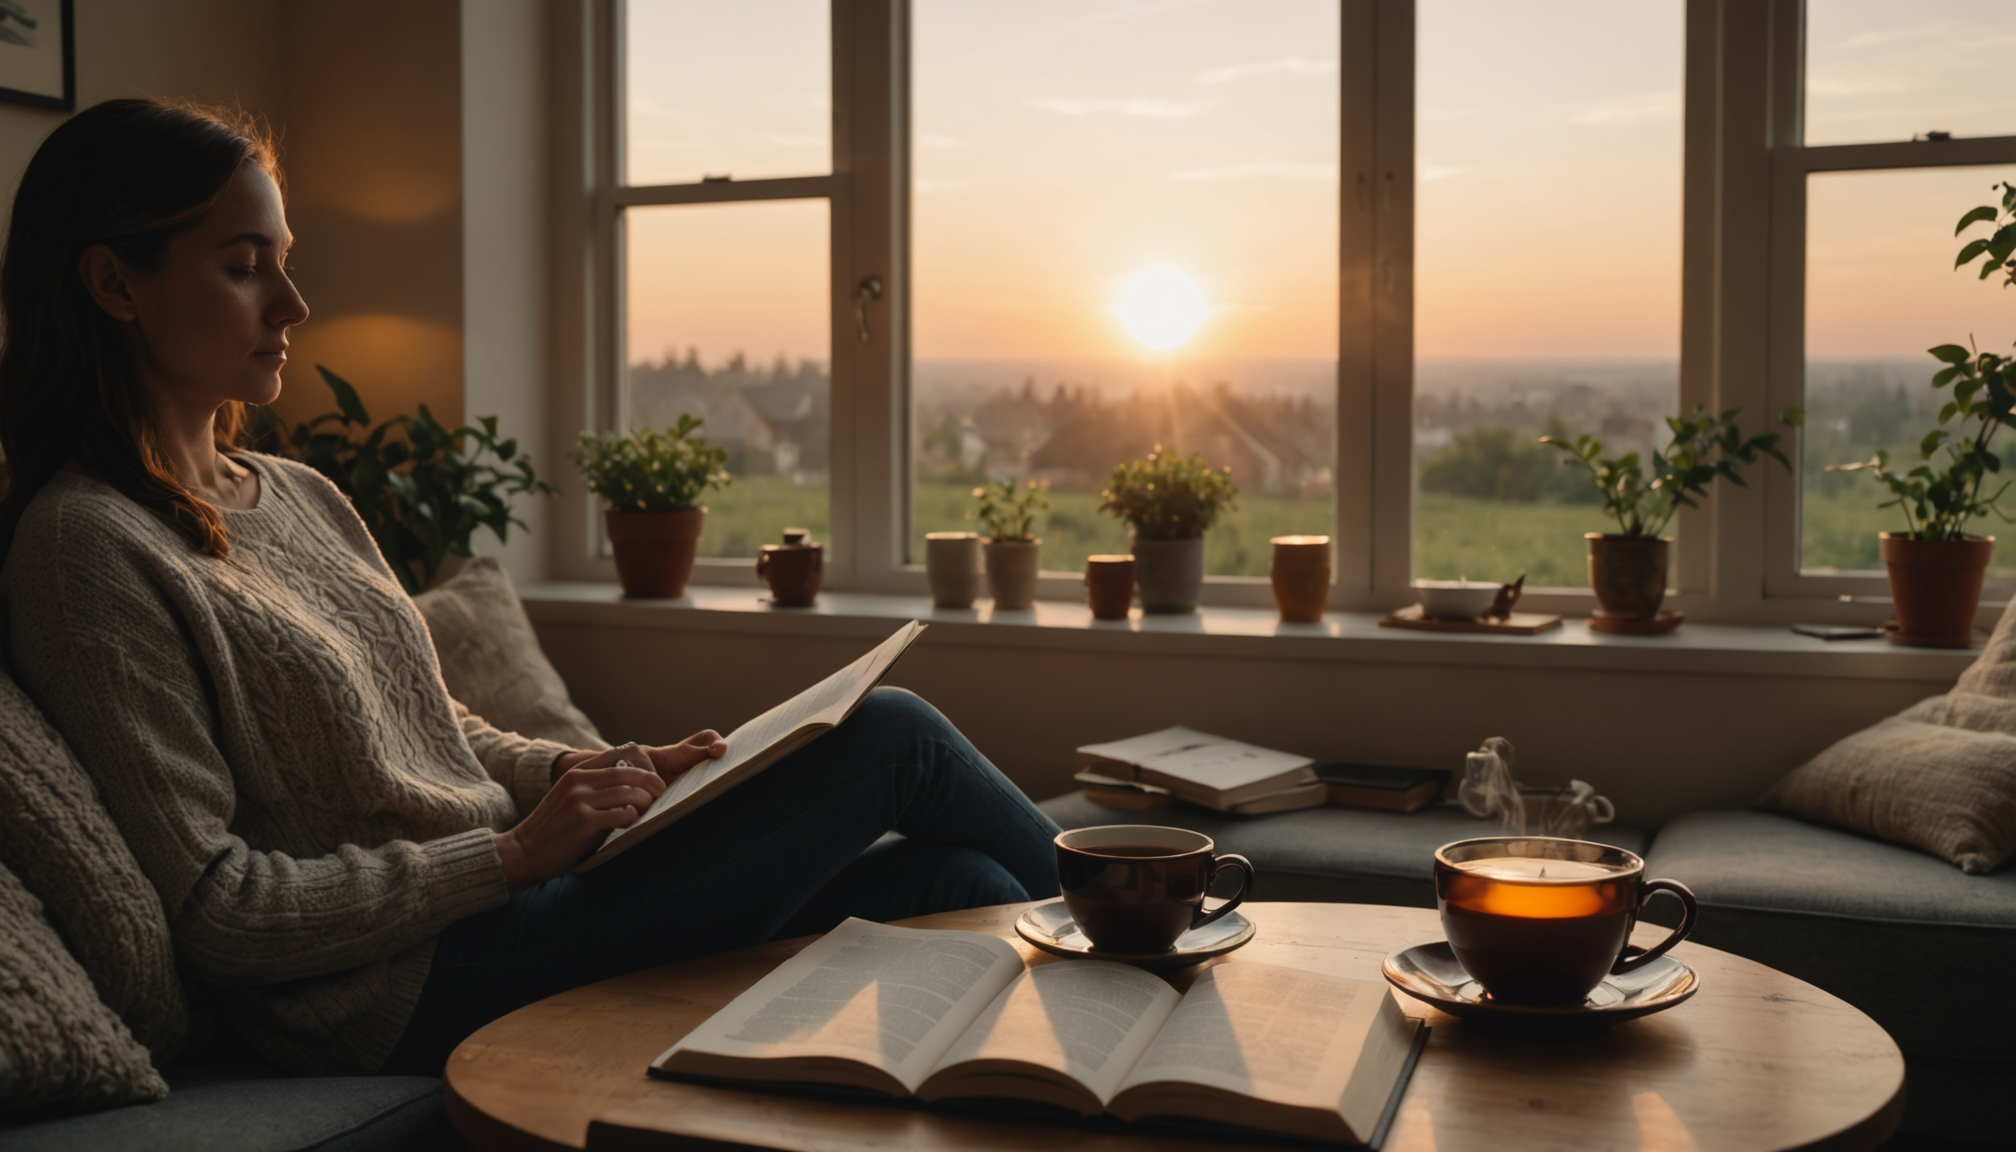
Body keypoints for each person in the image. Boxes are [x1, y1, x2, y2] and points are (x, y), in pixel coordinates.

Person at [0, 99, 1061, 1078]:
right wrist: (510, 855)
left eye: (283, 260)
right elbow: (216, 909)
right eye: (243, 267)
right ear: (113, 284)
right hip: (397, 990)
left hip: (517, 899)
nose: (294, 302)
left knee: (959, 886)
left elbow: (427, 726)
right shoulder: (85, 548)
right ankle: (1196, 932)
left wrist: (585, 771)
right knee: (892, 735)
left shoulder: (300, 494)